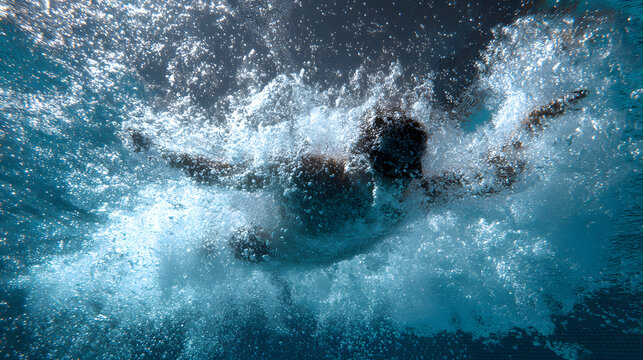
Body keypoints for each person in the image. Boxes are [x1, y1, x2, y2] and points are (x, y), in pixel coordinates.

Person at [127, 90, 588, 263]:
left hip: (320, 255)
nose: (396, 178)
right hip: (268, 249)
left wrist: (535, 122)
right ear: (364, 153)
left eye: (407, 168)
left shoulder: (415, 194)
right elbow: (224, 175)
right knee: (224, 251)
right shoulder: (305, 173)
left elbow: (498, 175)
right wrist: (161, 151)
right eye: (387, 164)